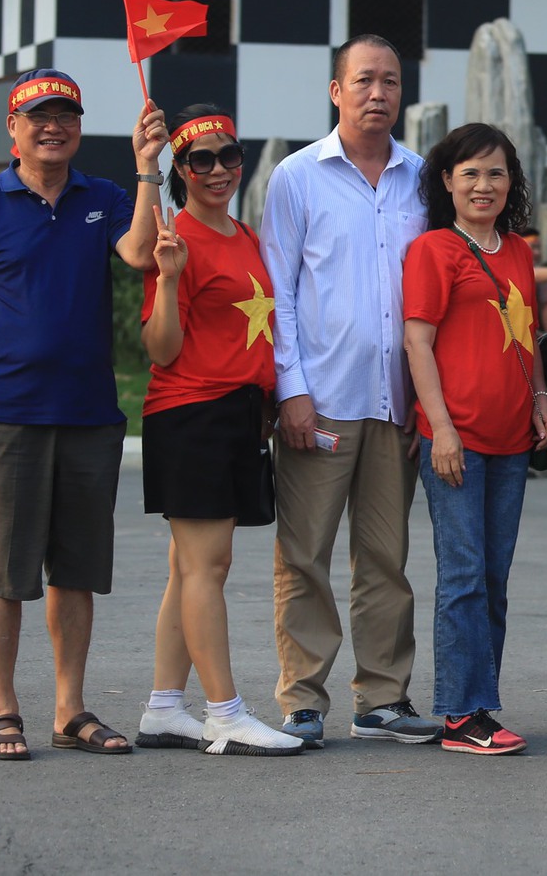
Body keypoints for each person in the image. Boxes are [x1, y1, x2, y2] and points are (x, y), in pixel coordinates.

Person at [0, 69, 168, 760]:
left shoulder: (106, 196)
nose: (52, 126)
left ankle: (70, 708)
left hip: (90, 412)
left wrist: (148, 169)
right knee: (2, 571)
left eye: (65, 115)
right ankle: (1, 708)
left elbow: (137, 251)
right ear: (14, 128)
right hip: (6, 411)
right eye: (38, 116)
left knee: (76, 569)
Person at [262, 35, 437, 749]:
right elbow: (278, 289)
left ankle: (383, 697)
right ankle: (303, 698)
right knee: (304, 554)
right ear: (336, 90)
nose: (378, 93)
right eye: (363, 80)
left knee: (385, 557)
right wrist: (290, 392)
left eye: (390, 81)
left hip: (395, 400)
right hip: (322, 400)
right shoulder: (298, 176)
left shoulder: (424, 179)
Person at [136, 106, 305, 757]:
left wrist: (265, 395)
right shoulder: (172, 233)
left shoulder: (243, 233)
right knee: (207, 564)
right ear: (179, 168)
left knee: (190, 567)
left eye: (227, 156)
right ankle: (224, 712)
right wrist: (171, 277)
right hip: (190, 411)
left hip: (236, 411)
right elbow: (159, 346)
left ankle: (162, 707)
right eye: (199, 159)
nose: (216, 169)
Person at [404, 123, 547, 756]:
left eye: (495, 173)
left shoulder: (518, 251)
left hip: (511, 438)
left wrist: (543, 397)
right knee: (464, 574)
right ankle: (460, 714)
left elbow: (525, 334)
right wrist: (440, 427)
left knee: (494, 576)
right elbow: (417, 341)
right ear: (446, 181)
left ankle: (481, 705)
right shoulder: (434, 250)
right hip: (457, 437)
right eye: (469, 173)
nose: (483, 185)